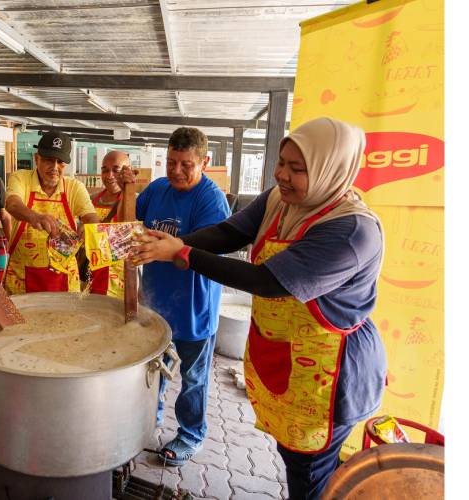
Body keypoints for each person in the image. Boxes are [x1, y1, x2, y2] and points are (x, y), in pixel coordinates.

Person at [130, 117, 386, 499]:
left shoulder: (351, 231)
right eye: (281, 162)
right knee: (293, 456)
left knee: (312, 473)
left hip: (330, 373)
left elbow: (267, 281)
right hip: (288, 358)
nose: (281, 174)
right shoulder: (281, 200)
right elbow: (229, 232)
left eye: (296, 169)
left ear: (331, 169)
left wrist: (181, 252)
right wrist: (174, 243)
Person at [121, 127, 230, 466]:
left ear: (204, 162)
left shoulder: (211, 200)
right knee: (153, 370)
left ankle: (190, 435)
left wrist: (163, 249)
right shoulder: (156, 189)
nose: (176, 171)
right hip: (155, 303)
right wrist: (125, 188)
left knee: (194, 378)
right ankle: (146, 424)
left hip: (194, 307)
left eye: (186, 164)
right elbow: (128, 226)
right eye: (170, 162)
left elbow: (203, 252)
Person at [4, 130, 99, 294]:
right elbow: (12, 204)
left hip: (65, 281)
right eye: (48, 160)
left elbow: (91, 216)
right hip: (20, 280)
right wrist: (35, 217)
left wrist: (88, 228)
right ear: (36, 159)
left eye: (60, 162)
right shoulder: (21, 178)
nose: (54, 167)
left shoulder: (74, 187)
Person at [87, 150, 129, 298]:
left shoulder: (134, 201)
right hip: (92, 272)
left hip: (120, 277)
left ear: (126, 172)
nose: (110, 176)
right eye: (105, 170)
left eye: (116, 170)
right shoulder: (91, 199)